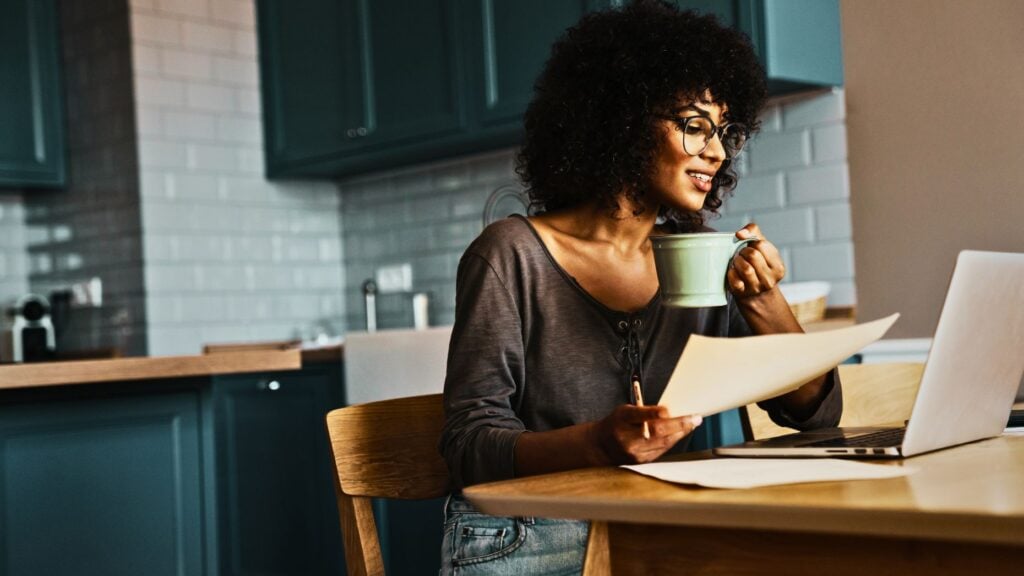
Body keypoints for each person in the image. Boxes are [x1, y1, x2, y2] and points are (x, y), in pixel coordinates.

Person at [438, 1, 843, 574]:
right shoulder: (510, 254)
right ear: (621, 121)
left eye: (725, 131)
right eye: (694, 125)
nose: (719, 151)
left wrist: (762, 300)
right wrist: (598, 444)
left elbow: (813, 414)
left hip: (662, 532)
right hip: (529, 539)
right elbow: (467, 447)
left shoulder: (699, 256)